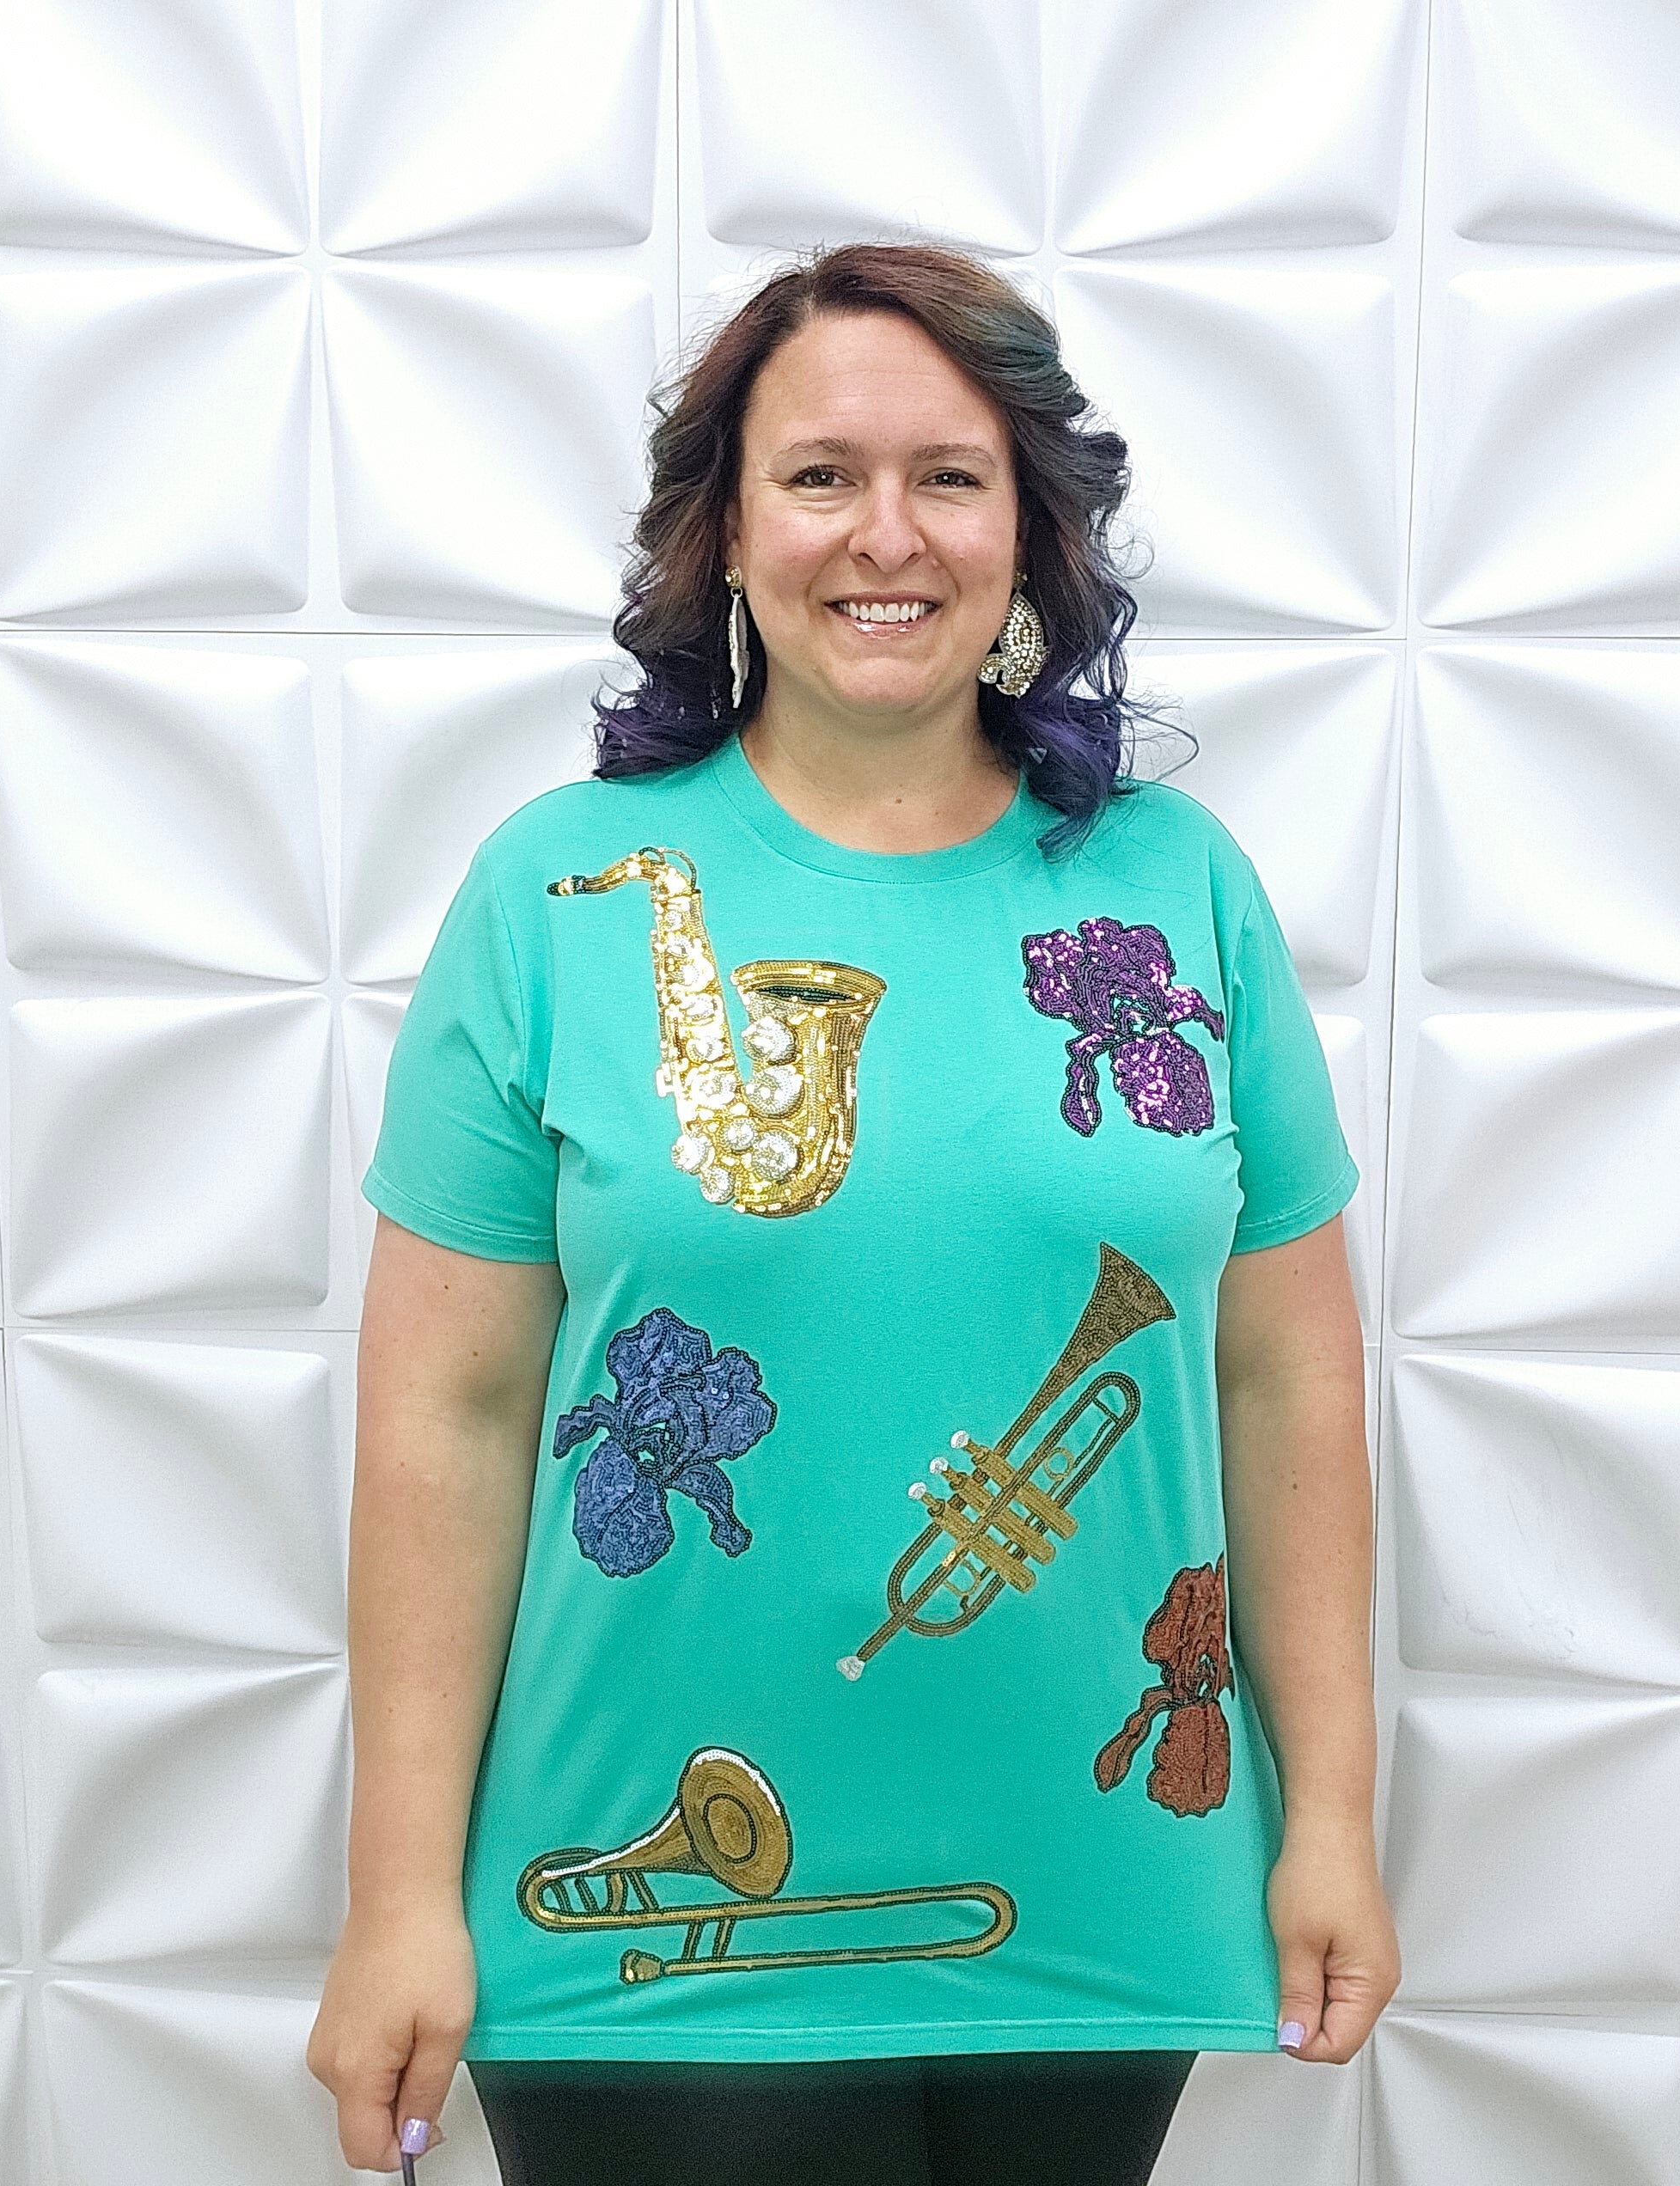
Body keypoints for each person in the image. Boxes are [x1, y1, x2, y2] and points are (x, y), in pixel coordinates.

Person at [307, 240, 1399, 2185]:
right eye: (819, 475)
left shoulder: (1182, 888)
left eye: (949, 477)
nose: (885, 534)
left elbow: (1286, 1381)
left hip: (1100, 1882)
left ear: (1027, 532)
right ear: (726, 533)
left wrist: (1329, 1816)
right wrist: (398, 1895)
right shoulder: (557, 894)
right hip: (643, 1905)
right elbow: (443, 1423)